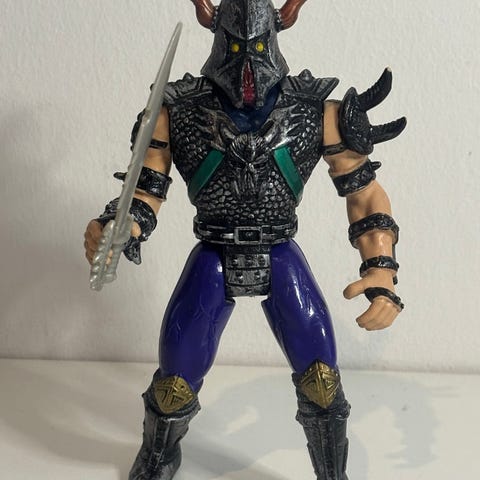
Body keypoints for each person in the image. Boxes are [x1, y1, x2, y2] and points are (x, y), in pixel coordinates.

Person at [84, 1, 405, 479]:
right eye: (236, 48)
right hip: (215, 252)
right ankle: (158, 455)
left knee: (321, 378)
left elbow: (364, 194)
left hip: (279, 252)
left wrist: (381, 269)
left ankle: (332, 473)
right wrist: (121, 226)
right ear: (216, 35)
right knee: (175, 380)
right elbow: (146, 190)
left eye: (256, 47)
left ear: (276, 33)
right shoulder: (178, 110)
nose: (248, 67)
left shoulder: (319, 112)